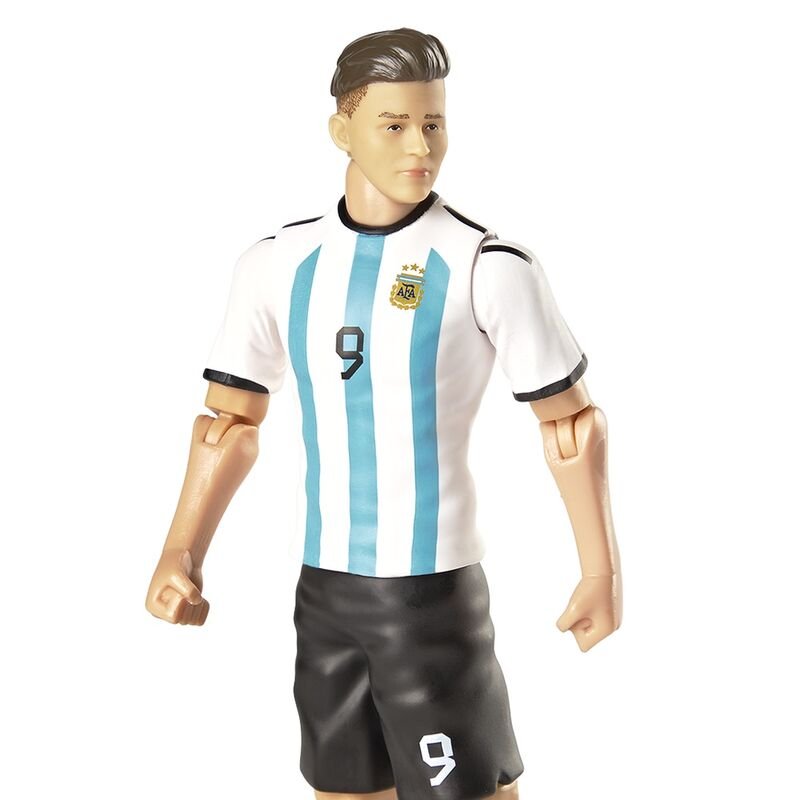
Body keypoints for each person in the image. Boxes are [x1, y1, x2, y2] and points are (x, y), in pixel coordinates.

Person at [146, 27, 622, 800]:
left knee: (463, 791)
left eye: (433, 123)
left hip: (428, 594)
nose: (420, 146)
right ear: (342, 130)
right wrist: (181, 551)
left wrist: (600, 570)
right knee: (342, 789)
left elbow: (570, 425)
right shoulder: (277, 262)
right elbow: (227, 426)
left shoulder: (485, 264)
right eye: (394, 125)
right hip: (324, 591)